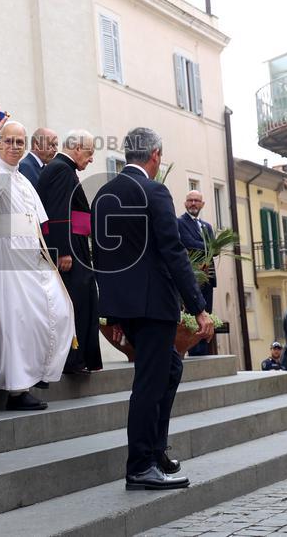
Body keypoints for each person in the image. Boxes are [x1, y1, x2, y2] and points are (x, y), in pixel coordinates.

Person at [92, 126, 211, 491]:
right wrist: (199, 308)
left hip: (127, 306)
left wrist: (112, 313)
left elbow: (103, 256)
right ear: (155, 155)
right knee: (149, 384)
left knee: (169, 370)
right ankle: (140, 466)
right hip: (154, 306)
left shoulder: (104, 195)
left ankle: (156, 450)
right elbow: (173, 253)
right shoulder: (155, 191)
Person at [0, 103, 74, 411]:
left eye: (20, 142)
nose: (14, 147)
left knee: (55, 310)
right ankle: (15, 388)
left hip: (30, 257)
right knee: (14, 319)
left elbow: (33, 226)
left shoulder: (23, 179)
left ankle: (31, 375)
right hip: (1, 257)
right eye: (8, 141)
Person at [37, 130, 101, 374]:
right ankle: (73, 360)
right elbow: (58, 212)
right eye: (89, 153)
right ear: (76, 148)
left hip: (76, 245)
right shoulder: (61, 169)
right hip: (70, 250)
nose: (92, 159)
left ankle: (80, 358)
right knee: (77, 303)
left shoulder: (62, 168)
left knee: (84, 301)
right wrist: (64, 251)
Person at [177, 190, 217, 356]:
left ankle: (205, 353)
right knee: (194, 317)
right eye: (190, 200)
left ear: (202, 204)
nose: (193, 203)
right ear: (185, 203)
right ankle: (195, 353)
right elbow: (188, 243)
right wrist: (206, 246)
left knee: (208, 316)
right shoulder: (180, 222)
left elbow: (214, 249)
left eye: (197, 201)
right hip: (192, 278)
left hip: (208, 279)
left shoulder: (206, 226)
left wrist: (207, 246)